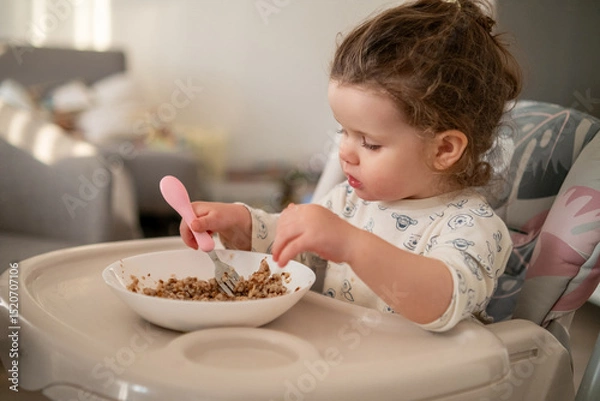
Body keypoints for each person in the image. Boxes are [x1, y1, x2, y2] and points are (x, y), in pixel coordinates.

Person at [180, 0, 521, 332]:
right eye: (342, 131)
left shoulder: (471, 227)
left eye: (370, 143)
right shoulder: (348, 202)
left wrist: (353, 246)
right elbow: (296, 253)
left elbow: (441, 301)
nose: (345, 151)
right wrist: (241, 225)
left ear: (444, 149)